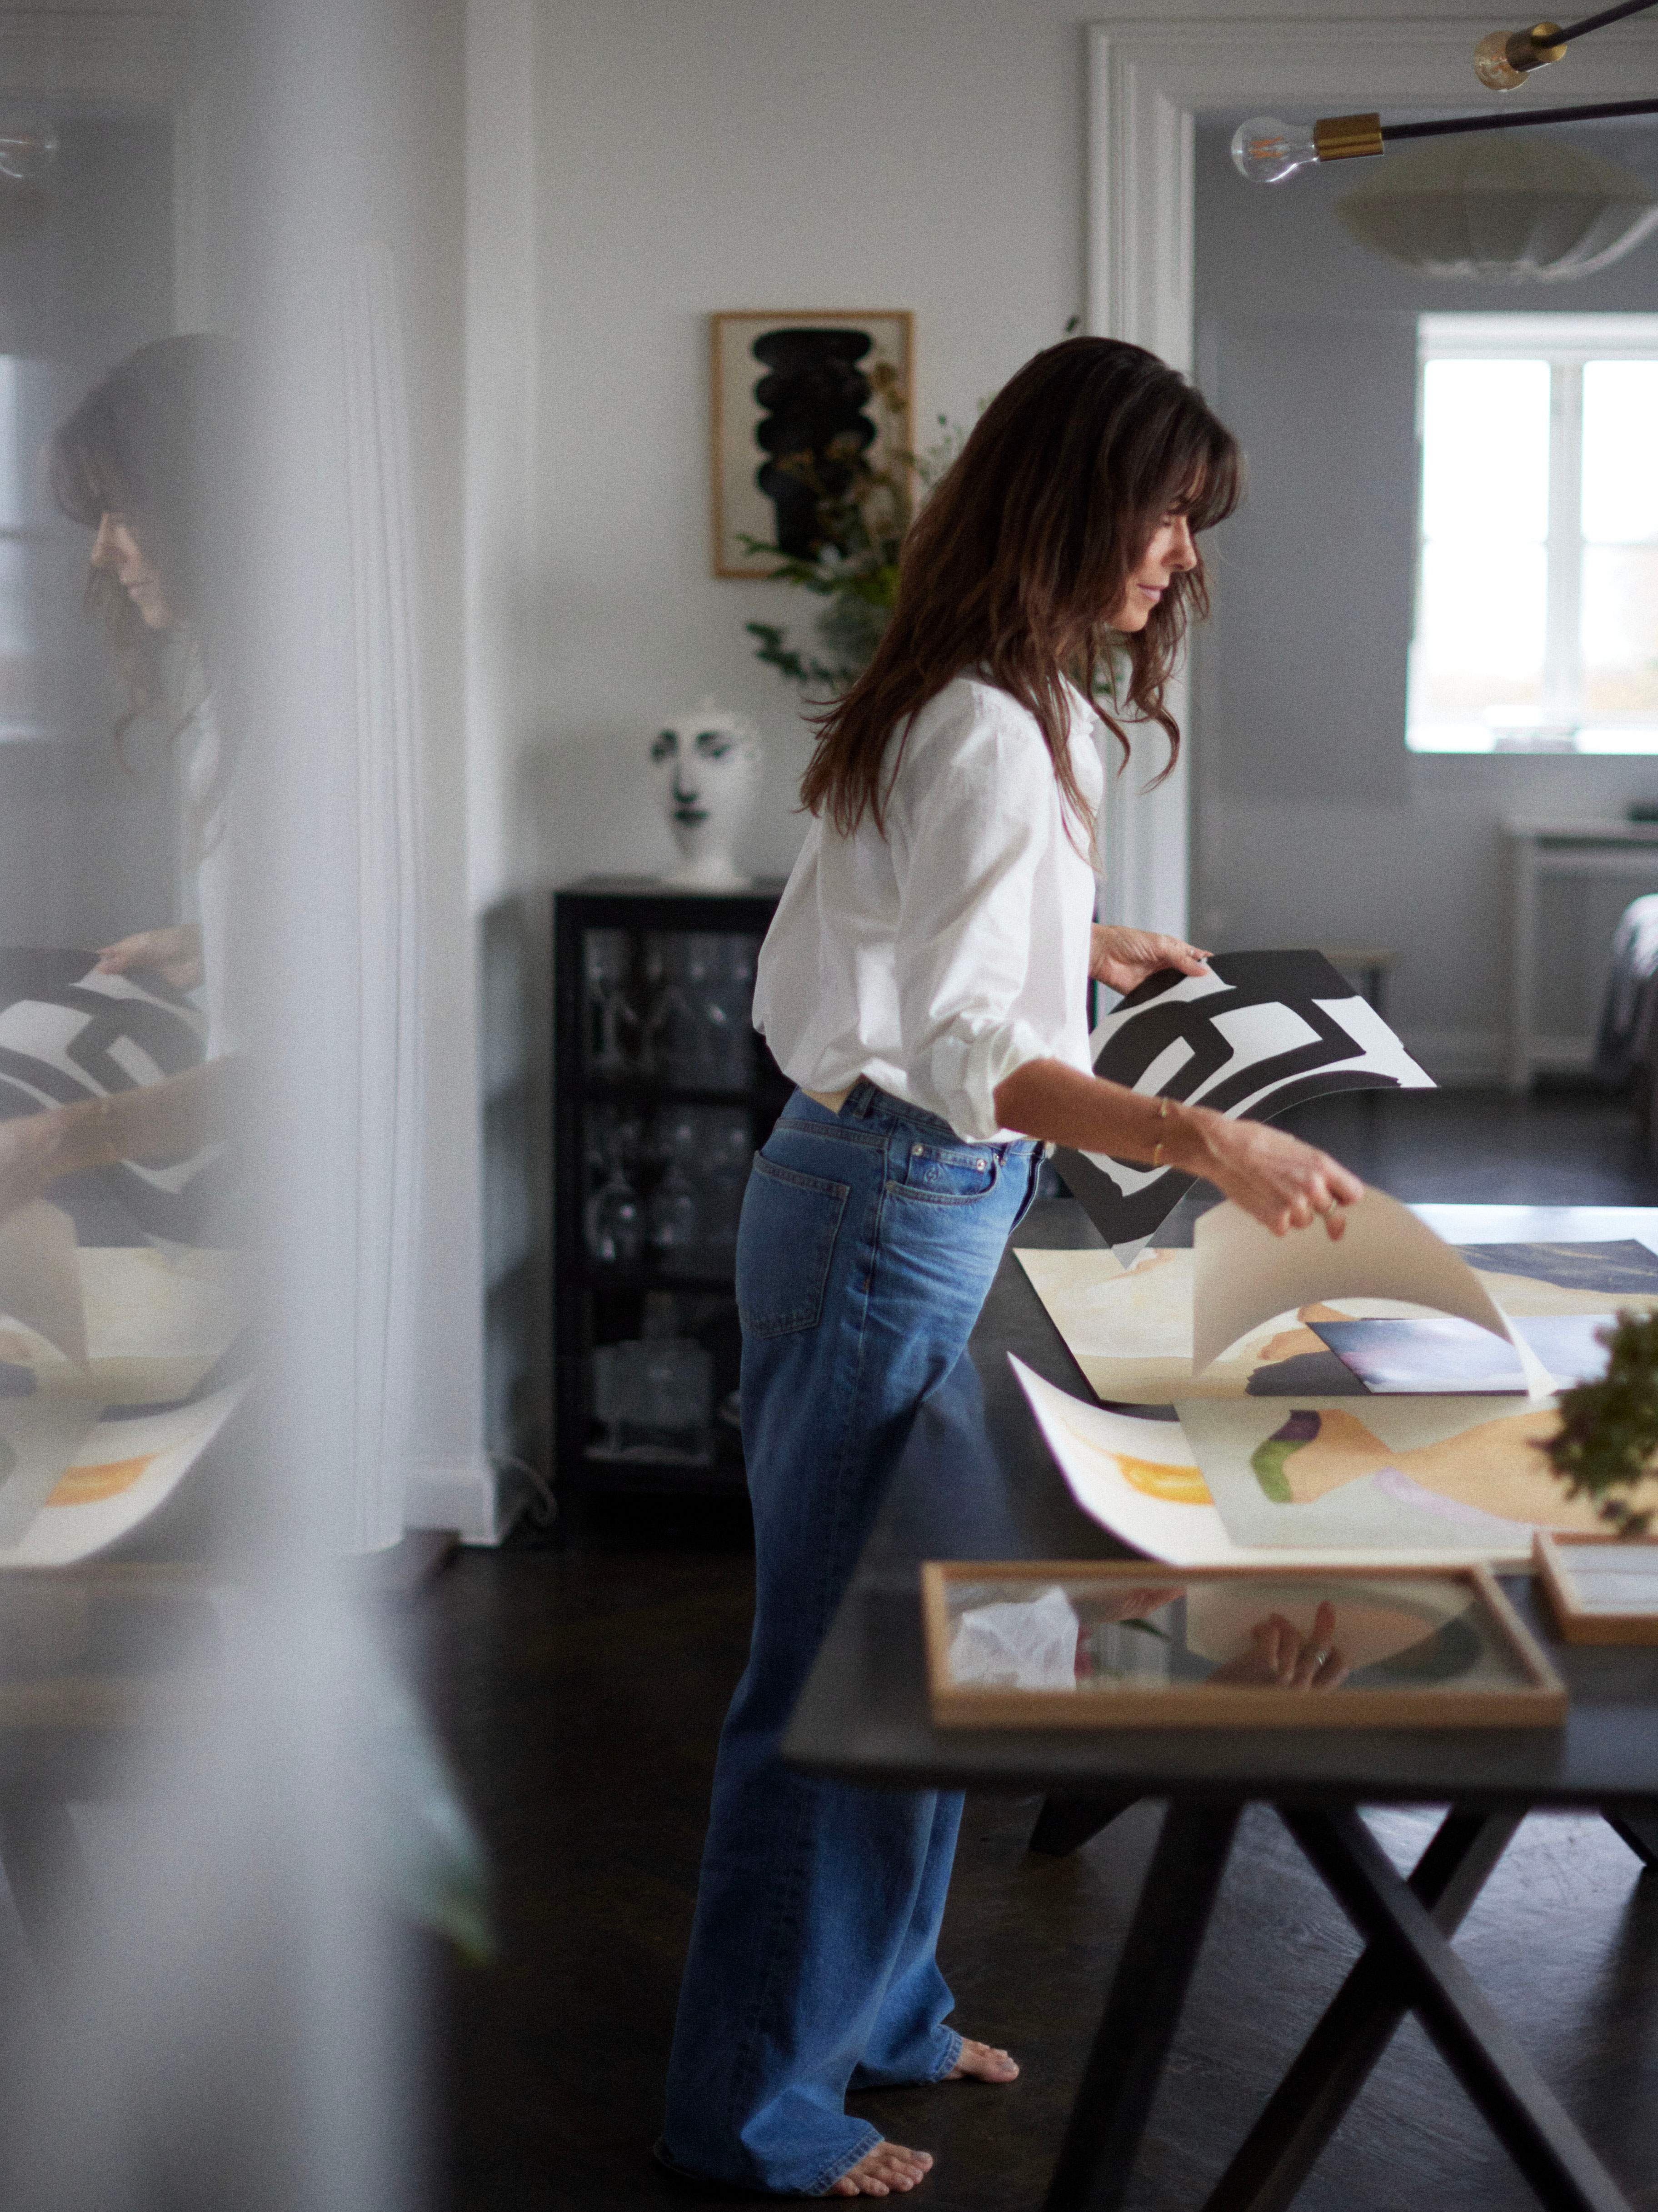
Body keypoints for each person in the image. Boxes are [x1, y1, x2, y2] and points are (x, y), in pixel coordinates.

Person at [658, 335, 1364, 2199]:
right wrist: (1207, 1134)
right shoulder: (983, 721)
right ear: (1079, 496)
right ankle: (752, 2109)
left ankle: (883, 2013)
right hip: (891, 1198)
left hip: (901, 1194)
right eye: (1166, 514)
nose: (1179, 559)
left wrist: (1082, 940)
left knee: (919, 1646)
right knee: (830, 1674)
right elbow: (965, 1048)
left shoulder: (980, 692)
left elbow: (898, 950)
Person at [0, 336, 239, 1222]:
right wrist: (211, 943)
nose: (103, 553)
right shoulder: (231, 701)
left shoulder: (300, 727)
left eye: (125, 513)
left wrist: (61, 1138)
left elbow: (291, 1072)